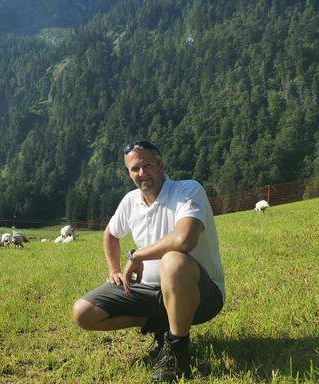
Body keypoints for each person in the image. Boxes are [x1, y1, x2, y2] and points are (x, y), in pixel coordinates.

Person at [72, 140, 225, 382]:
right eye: (134, 169)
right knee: (84, 313)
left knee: (173, 261)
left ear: (161, 165)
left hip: (202, 295)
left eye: (147, 165)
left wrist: (137, 255)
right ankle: (160, 323)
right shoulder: (131, 201)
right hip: (151, 294)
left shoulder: (188, 190)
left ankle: (177, 352)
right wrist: (114, 270)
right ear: (128, 173)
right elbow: (110, 234)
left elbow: (184, 240)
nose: (141, 173)